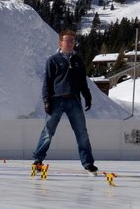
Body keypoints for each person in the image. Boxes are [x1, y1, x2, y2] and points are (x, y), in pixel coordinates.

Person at [31, 29, 97, 173]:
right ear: (60, 42)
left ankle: (88, 163)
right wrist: (46, 101)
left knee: (82, 133)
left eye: (72, 41)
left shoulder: (78, 60)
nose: (70, 43)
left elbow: (82, 82)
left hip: (74, 101)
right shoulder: (53, 60)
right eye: (67, 40)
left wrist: (87, 96)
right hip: (56, 102)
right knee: (48, 132)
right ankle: (37, 159)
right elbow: (47, 83)